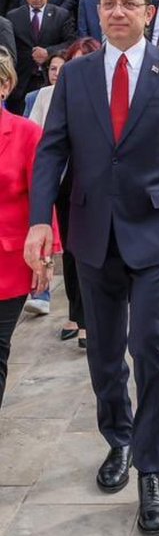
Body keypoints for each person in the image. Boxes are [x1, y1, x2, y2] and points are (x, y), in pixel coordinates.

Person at [25, 0, 159, 536]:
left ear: (149, 11)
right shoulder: (73, 76)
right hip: (92, 235)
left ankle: (151, 468)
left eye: (130, 4)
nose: (118, 12)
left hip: (156, 234)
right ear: (99, 13)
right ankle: (118, 439)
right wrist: (37, 223)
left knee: (151, 351)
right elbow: (51, 152)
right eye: (110, 4)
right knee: (103, 358)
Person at [29, 37, 101, 347]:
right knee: (73, 255)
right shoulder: (56, 93)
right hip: (68, 183)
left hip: (104, 185)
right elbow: (45, 144)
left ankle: (91, 318)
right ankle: (78, 314)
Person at [0, 50, 60, 409]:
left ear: (5, 85)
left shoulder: (26, 134)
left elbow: (43, 199)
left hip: (7, 263)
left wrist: (46, 258)